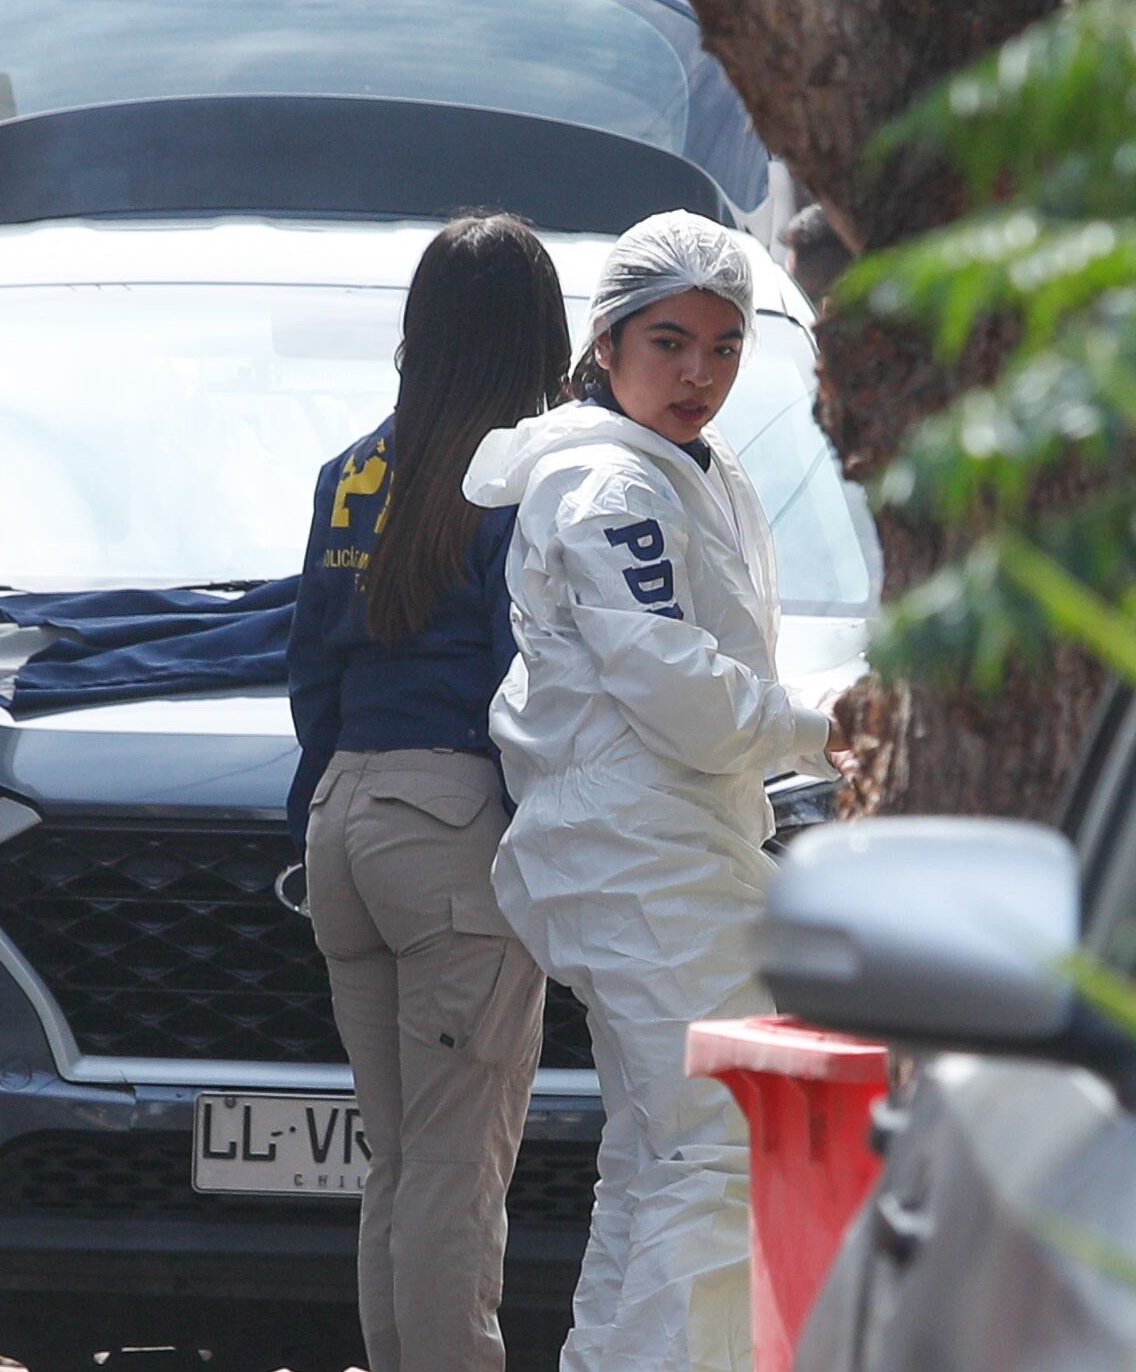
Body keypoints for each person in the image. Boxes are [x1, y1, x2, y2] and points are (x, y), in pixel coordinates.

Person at [462, 211, 850, 1372]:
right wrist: (832, 726)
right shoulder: (608, 486)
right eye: (670, 342)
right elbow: (680, 690)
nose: (699, 374)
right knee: (723, 1144)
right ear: (608, 341)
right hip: (641, 853)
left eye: (724, 347)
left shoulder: (689, 468)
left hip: (669, 845)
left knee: (658, 1157)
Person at [288, 213, 571, 1372]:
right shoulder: (526, 478)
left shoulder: (350, 471)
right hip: (453, 832)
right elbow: (536, 685)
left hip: (342, 820)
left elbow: (309, 672)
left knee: (400, 1165)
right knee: (457, 1177)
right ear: (538, 334)